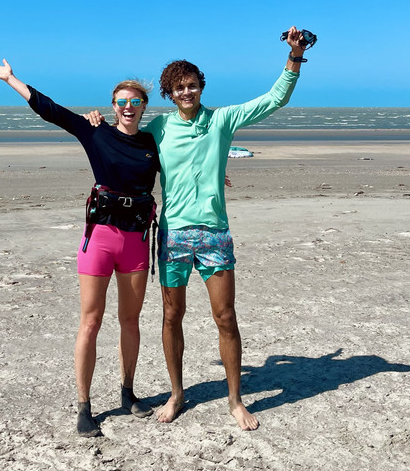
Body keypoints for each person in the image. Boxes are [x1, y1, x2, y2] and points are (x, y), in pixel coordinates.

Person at [86, 25, 307, 430]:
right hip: (171, 235)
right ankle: (176, 394)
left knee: (225, 316)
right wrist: (97, 122)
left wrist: (294, 57)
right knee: (172, 316)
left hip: (214, 234)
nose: (187, 92)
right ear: (169, 95)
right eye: (179, 88)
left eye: (192, 85)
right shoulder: (159, 129)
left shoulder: (221, 121)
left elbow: (275, 99)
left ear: (200, 87)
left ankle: (236, 400)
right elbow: (123, 141)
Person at [0, 58, 159, 438]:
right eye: (122, 100)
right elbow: (50, 110)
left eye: (136, 101)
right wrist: (11, 79)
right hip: (100, 239)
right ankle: (84, 406)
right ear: (113, 106)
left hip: (137, 241)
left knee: (130, 321)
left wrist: (215, 172)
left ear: (144, 106)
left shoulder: (151, 142)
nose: (128, 106)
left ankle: (128, 392)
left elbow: (183, 160)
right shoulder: (94, 132)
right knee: (91, 322)